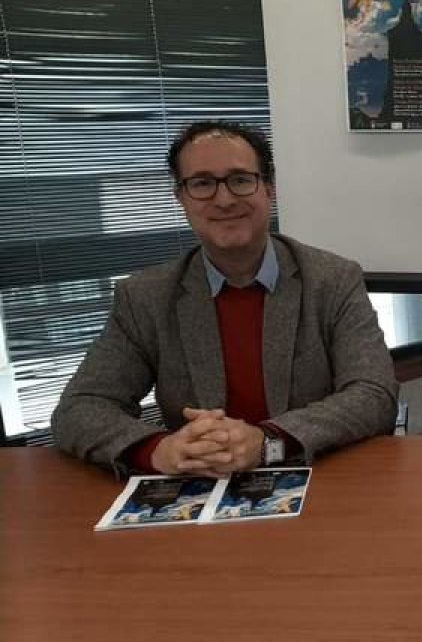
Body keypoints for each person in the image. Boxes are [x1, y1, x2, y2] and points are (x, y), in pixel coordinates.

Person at [51, 121, 399, 476]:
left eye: (240, 179)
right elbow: (80, 408)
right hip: (199, 487)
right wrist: (159, 450)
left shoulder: (332, 279)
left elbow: (374, 394)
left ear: (269, 188)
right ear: (180, 196)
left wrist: (266, 444)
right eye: (202, 183)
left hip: (319, 481)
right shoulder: (146, 297)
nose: (224, 199)